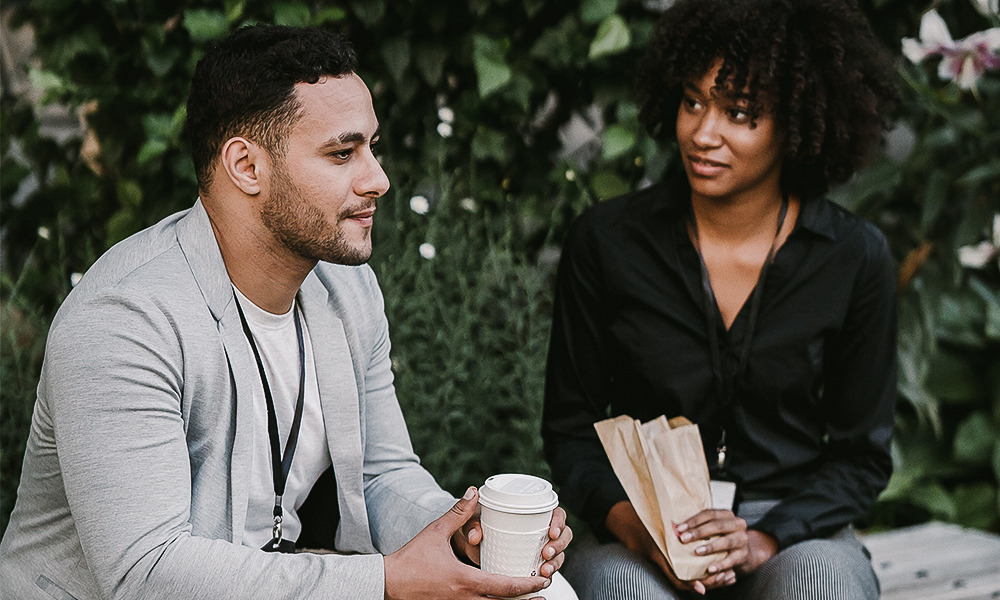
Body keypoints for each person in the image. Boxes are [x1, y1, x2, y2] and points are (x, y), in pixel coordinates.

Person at [0, 25, 572, 600]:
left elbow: (381, 474)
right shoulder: (125, 322)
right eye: (342, 153)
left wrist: (461, 532)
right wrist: (384, 581)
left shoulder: (348, 291)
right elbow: (146, 573)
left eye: (373, 148)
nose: (379, 179)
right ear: (246, 166)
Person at [542, 0, 897, 598]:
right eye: (692, 101)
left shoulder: (852, 259)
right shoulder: (607, 244)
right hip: (647, 525)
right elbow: (570, 431)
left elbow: (862, 457)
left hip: (794, 531)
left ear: (798, 123)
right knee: (614, 588)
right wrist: (632, 528)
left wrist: (767, 538)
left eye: (740, 112)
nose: (703, 133)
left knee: (819, 582)